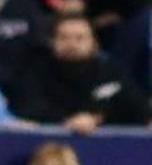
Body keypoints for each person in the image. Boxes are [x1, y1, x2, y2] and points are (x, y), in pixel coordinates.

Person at [11, 12, 151, 131]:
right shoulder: (37, 71)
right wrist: (68, 121)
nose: (71, 44)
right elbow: (29, 109)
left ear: (94, 43)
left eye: (80, 38)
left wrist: (96, 119)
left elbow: (137, 108)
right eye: (64, 37)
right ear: (53, 42)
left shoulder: (111, 72)